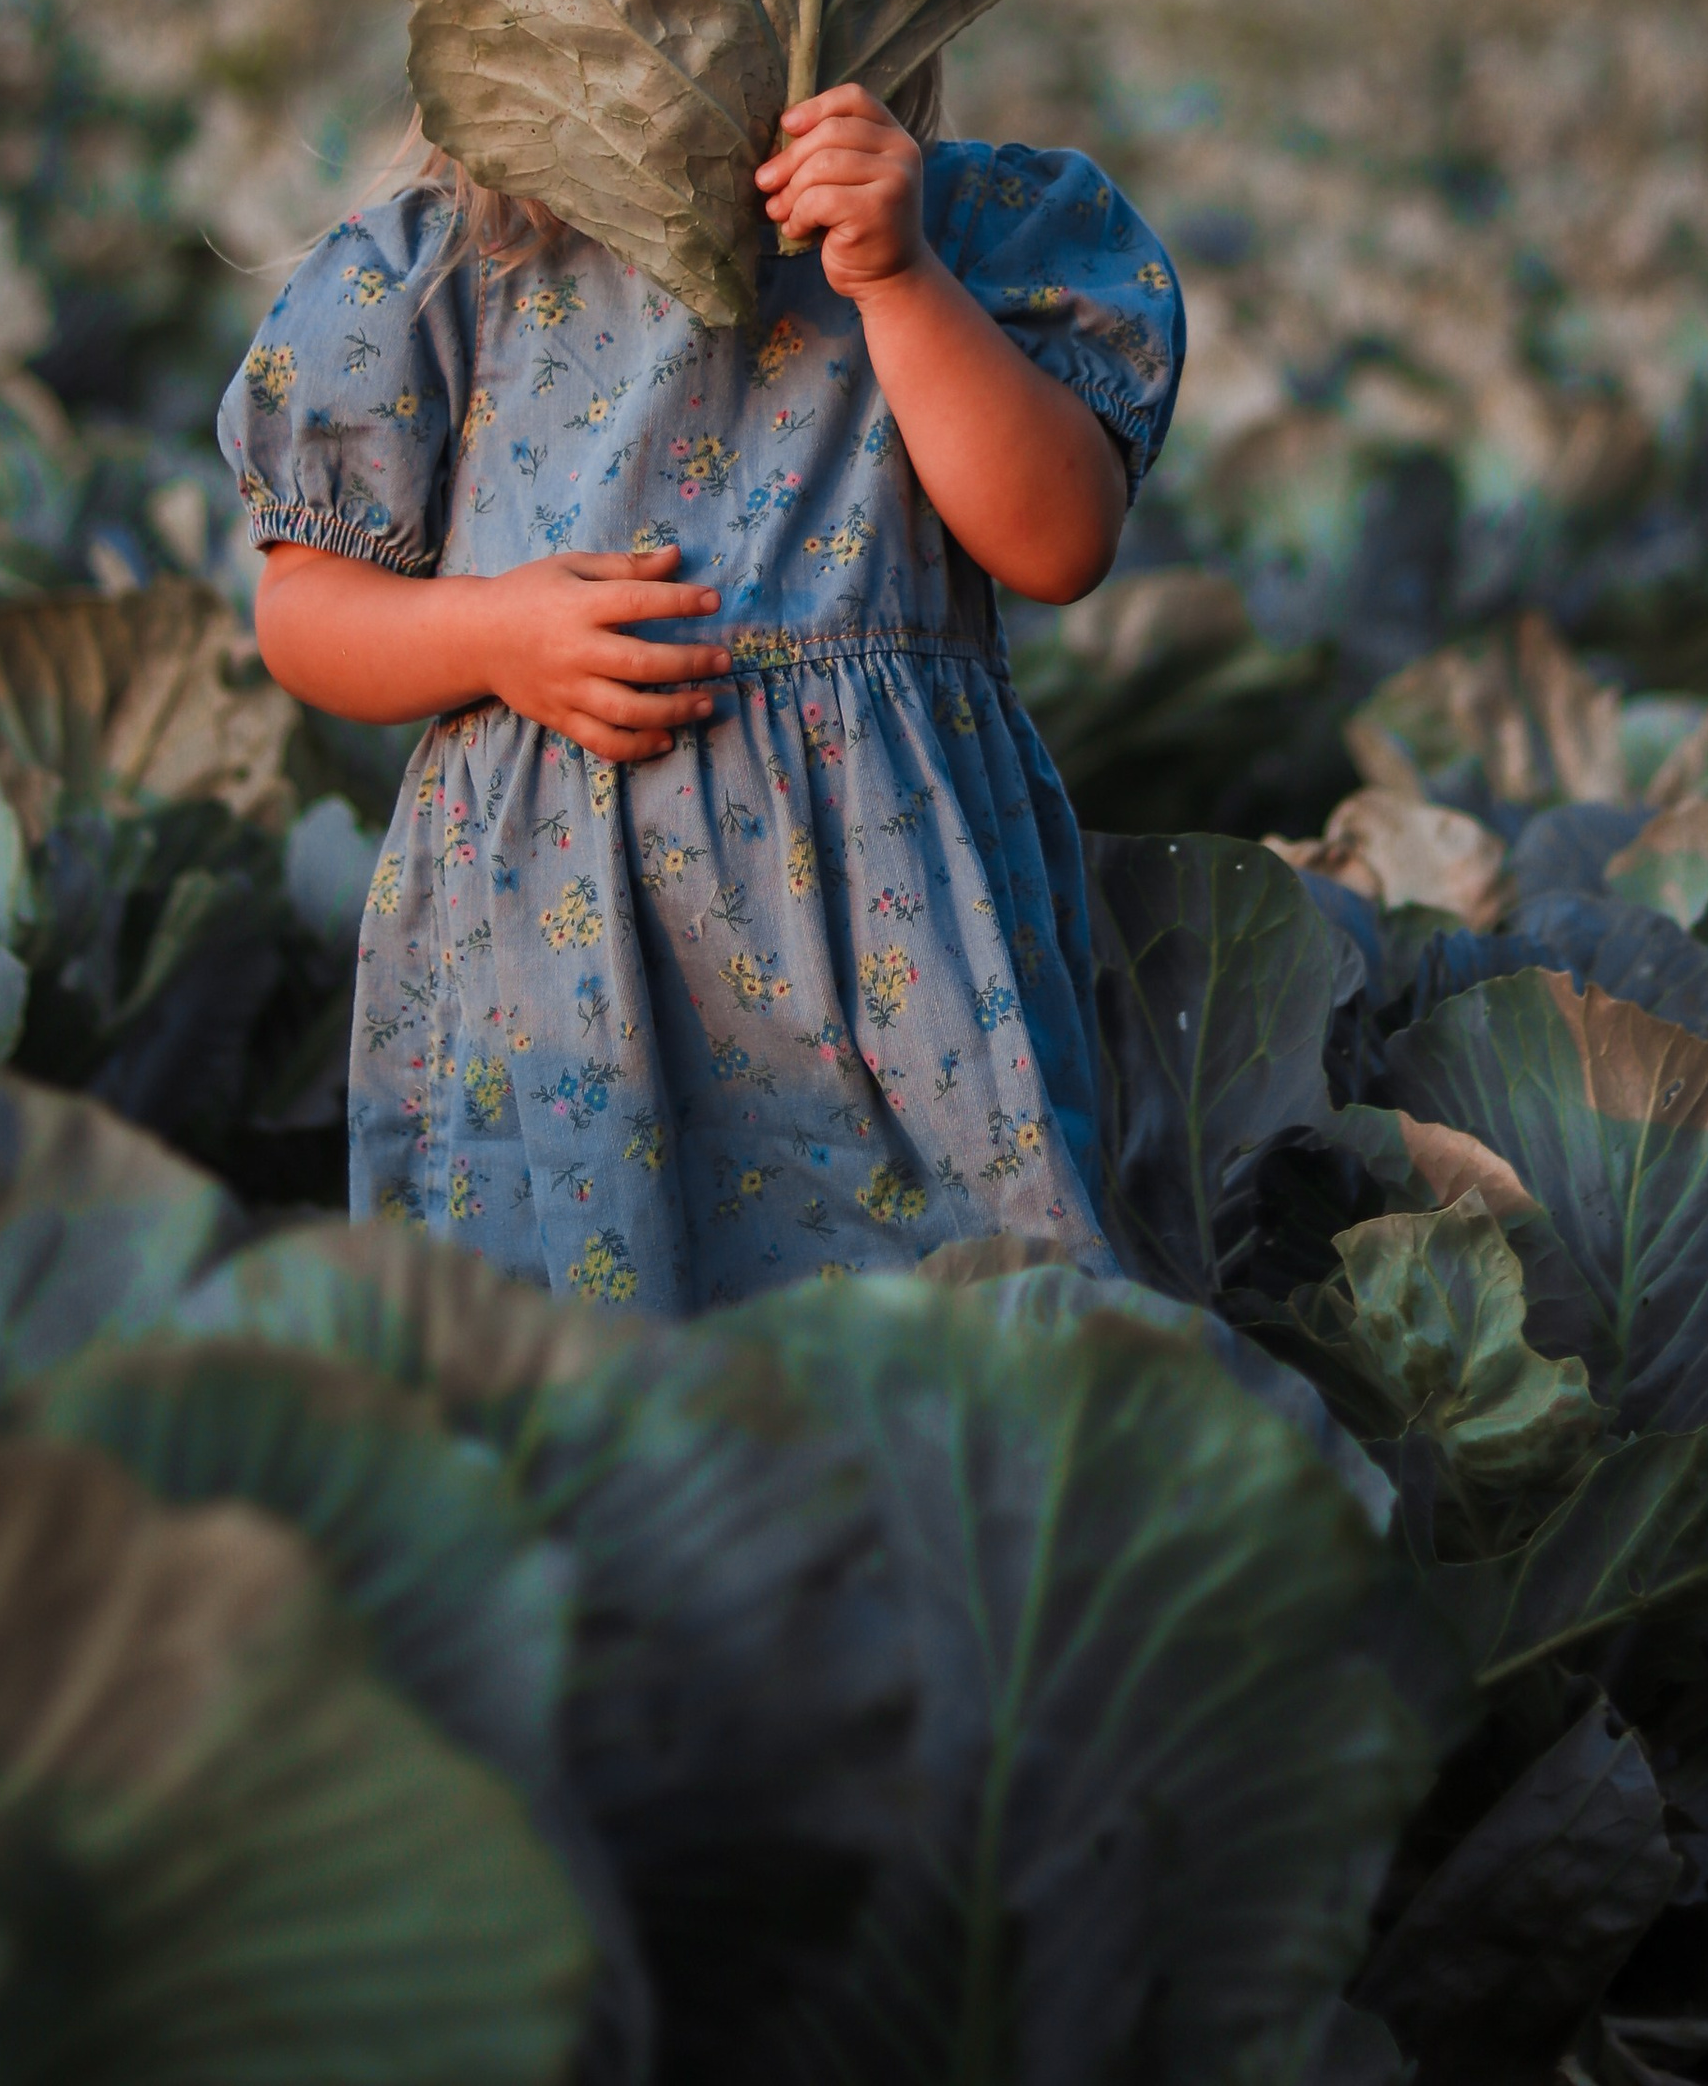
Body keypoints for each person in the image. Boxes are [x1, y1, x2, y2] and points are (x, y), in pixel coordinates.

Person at [221, 80, 1185, 1310]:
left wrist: (898, 280)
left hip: (898, 955)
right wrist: (487, 635)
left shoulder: (957, 229)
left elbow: (1058, 542)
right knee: (568, 1387)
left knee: (958, 1350)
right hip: (559, 969)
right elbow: (303, 613)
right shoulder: (435, 263)